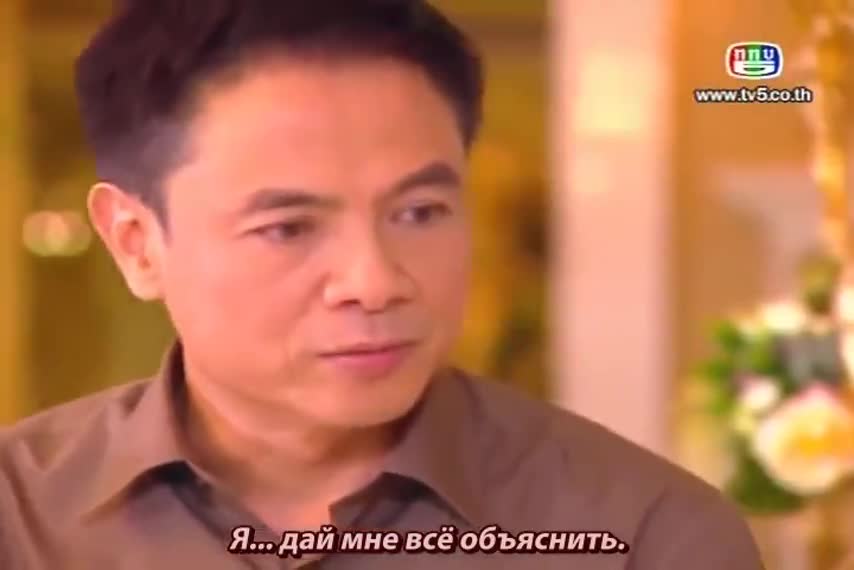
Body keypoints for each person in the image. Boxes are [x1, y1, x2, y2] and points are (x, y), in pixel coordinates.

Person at [0, 1, 764, 568]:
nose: (373, 283)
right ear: (136, 243)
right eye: (289, 228)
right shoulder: (22, 518)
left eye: (419, 212)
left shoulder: (646, 535)